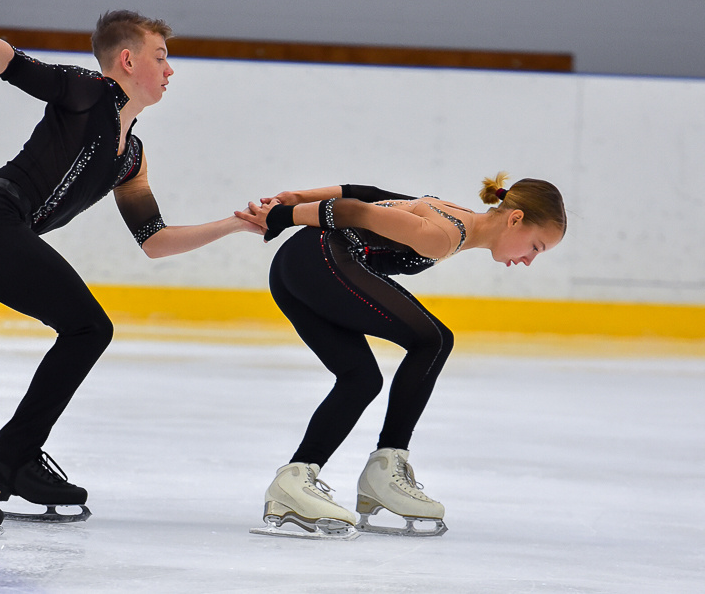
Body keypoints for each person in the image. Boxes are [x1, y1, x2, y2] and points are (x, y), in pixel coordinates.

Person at [0, 11, 261, 531]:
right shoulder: (88, 91)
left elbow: (154, 241)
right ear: (127, 60)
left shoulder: (130, 158)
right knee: (88, 328)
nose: (170, 70)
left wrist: (235, 224)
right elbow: (13, 66)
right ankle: (13, 459)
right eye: (161, 57)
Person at [236, 175, 566, 538]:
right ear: (515, 219)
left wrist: (298, 196)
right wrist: (282, 216)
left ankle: (294, 480)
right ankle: (385, 470)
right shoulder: (444, 235)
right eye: (536, 246)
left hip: (299, 267)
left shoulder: (453, 215)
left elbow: (369, 195)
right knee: (434, 340)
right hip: (319, 262)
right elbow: (353, 210)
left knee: (361, 379)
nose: (529, 260)